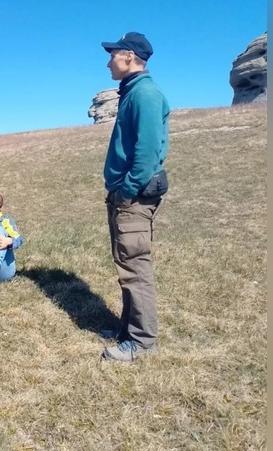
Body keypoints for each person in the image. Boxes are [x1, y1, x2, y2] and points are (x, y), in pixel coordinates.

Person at [99, 32, 170, 362]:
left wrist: (126, 191)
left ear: (128, 56)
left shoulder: (145, 94)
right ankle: (129, 329)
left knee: (135, 267)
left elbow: (146, 153)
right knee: (127, 264)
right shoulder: (133, 93)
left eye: (112, 54)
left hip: (133, 196)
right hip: (126, 194)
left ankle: (141, 342)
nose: (108, 60)